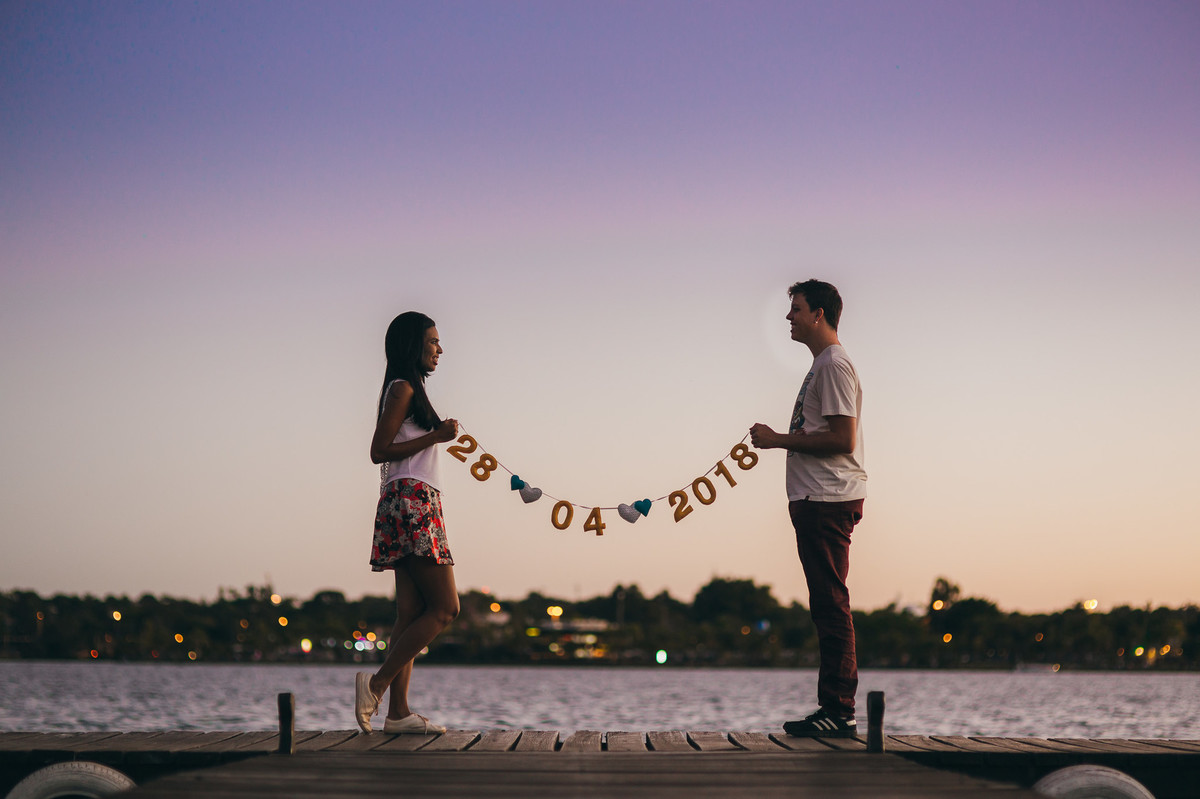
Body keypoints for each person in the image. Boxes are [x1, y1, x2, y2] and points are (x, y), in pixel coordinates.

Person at [750, 280, 867, 738]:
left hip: (826, 500)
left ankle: (838, 710)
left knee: (831, 604)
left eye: (795, 309)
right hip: (815, 500)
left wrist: (779, 439)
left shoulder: (835, 365)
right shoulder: (822, 366)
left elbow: (842, 438)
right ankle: (834, 708)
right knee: (826, 604)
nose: (788, 317)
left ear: (819, 314)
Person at [355, 311, 461, 734]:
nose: (439, 349)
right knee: (445, 608)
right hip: (412, 499)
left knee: (410, 611)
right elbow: (378, 450)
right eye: (433, 341)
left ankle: (398, 715)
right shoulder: (401, 388)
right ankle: (377, 686)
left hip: (412, 498)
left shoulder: (408, 389)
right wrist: (436, 436)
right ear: (412, 345)